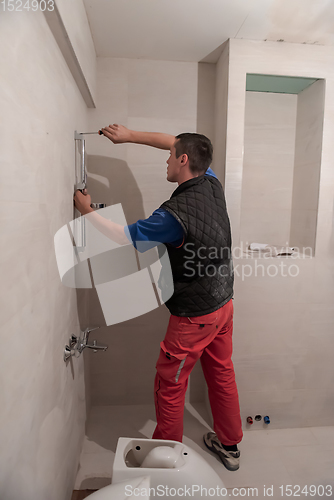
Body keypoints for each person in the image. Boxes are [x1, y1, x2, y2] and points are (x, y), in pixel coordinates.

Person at [74, 124, 243, 472]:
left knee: (170, 383)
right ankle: (230, 444)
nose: (165, 161)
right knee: (222, 373)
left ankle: (167, 460)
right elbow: (181, 144)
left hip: (194, 316)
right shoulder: (211, 181)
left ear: (183, 160)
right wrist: (129, 135)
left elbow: (123, 237)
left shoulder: (172, 216)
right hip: (223, 304)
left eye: (169, 157)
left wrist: (86, 212)